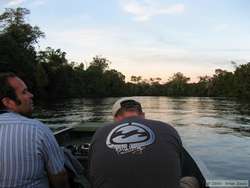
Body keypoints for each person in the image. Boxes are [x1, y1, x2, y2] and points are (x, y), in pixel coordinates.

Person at [88, 97, 200, 188]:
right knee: (191, 180)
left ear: (116, 118)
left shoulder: (100, 133)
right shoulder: (168, 129)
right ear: (142, 115)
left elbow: (92, 174)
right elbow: (180, 166)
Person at [0, 72, 70, 188]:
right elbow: (59, 176)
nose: (31, 95)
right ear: (8, 102)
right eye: (24, 92)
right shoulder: (37, 129)